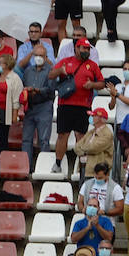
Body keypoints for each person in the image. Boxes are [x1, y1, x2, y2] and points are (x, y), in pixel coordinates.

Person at [48, 38, 105, 174]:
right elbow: (50, 75)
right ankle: (57, 164)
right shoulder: (65, 61)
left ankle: (82, 166)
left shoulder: (92, 65)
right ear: (76, 48)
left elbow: (102, 83)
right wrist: (60, 71)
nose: (86, 51)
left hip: (83, 106)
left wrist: (92, 85)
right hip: (65, 104)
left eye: (88, 49)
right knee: (63, 135)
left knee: (81, 136)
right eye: (83, 48)